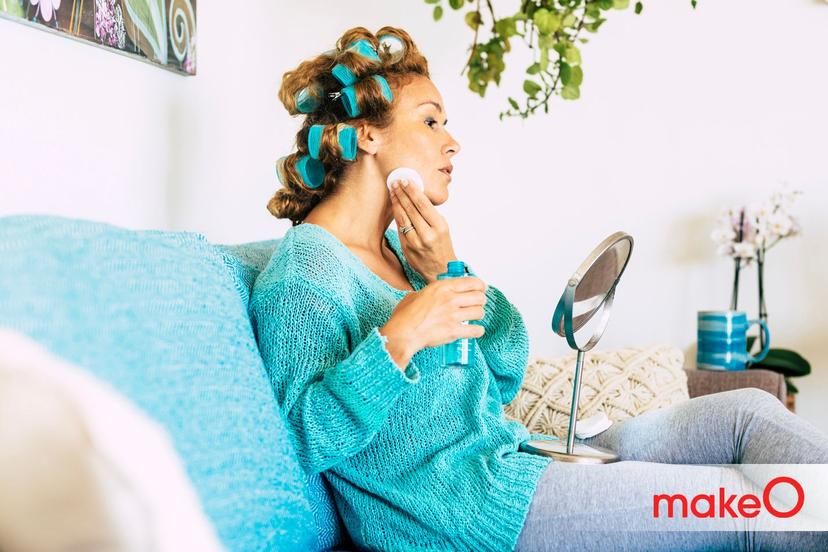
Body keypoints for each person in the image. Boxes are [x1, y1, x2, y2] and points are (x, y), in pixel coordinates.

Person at [249, 26, 828, 551]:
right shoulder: (304, 274)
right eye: (431, 121)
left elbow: (502, 375)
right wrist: (398, 340)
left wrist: (449, 269)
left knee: (749, 415)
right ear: (366, 135)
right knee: (752, 507)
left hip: (515, 463)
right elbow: (299, 440)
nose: (452, 143)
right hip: (469, 516)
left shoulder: (405, 252)